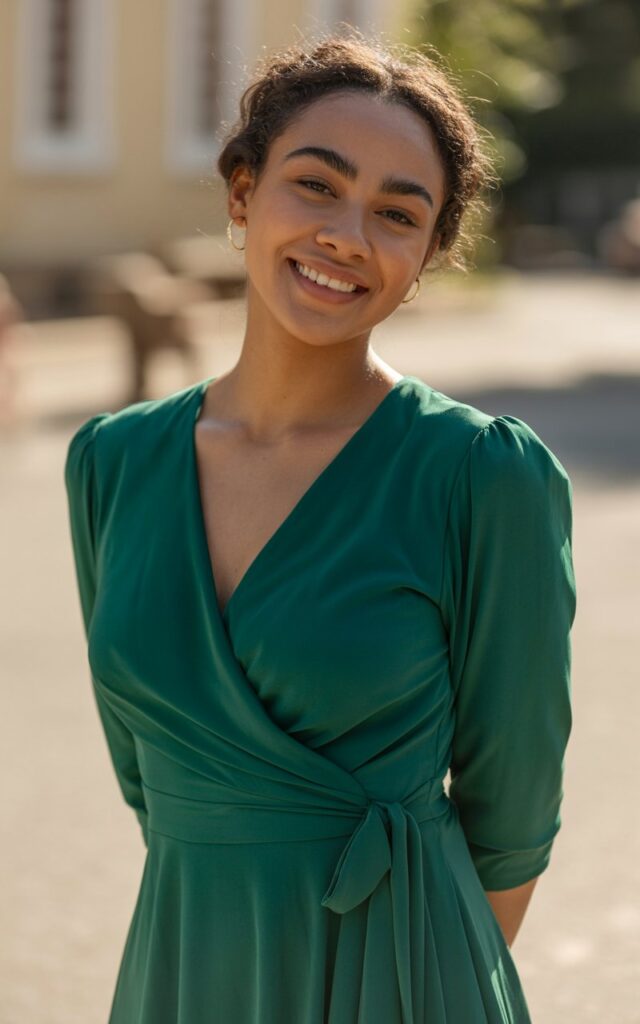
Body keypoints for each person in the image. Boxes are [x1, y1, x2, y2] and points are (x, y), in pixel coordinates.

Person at [64, 32, 576, 1024]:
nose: (348, 233)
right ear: (241, 193)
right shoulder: (114, 463)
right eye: (316, 185)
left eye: (396, 213)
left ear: (425, 257)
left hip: (399, 973)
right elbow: (150, 781)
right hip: (182, 968)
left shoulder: (479, 475)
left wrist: (417, 972)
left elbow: (512, 820)